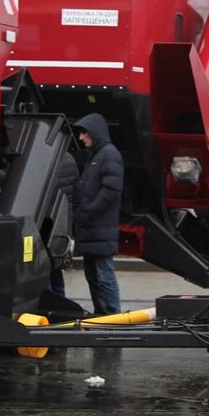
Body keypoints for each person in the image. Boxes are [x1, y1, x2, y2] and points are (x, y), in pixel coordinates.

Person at [73, 113, 123, 315]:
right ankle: (102, 315)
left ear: (95, 132)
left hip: (99, 227)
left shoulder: (108, 155)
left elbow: (111, 191)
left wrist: (89, 212)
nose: (81, 137)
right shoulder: (97, 156)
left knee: (103, 275)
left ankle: (112, 316)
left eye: (84, 132)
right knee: (94, 276)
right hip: (92, 228)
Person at [48, 150, 79, 296]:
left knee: (44, 267)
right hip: (63, 220)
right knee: (56, 266)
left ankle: (47, 304)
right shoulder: (69, 158)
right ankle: (60, 299)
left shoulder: (45, 157)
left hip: (46, 220)